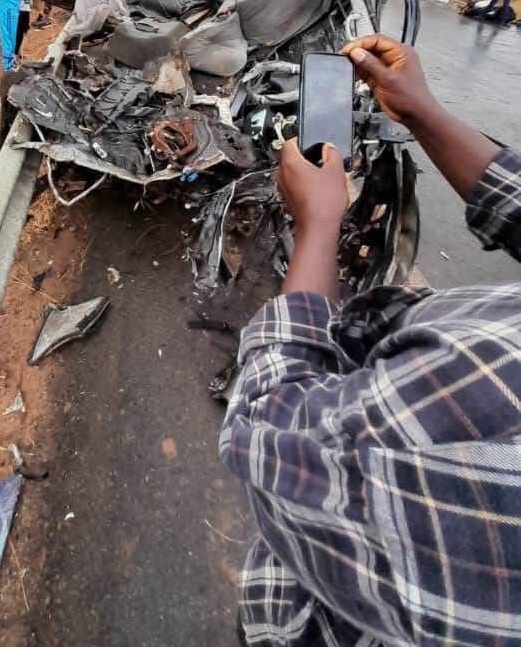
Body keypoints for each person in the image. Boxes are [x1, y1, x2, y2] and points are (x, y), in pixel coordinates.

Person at [222, 33, 521, 647]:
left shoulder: (495, 398)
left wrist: (318, 225)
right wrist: (422, 111)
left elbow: (270, 431)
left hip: (322, 617)